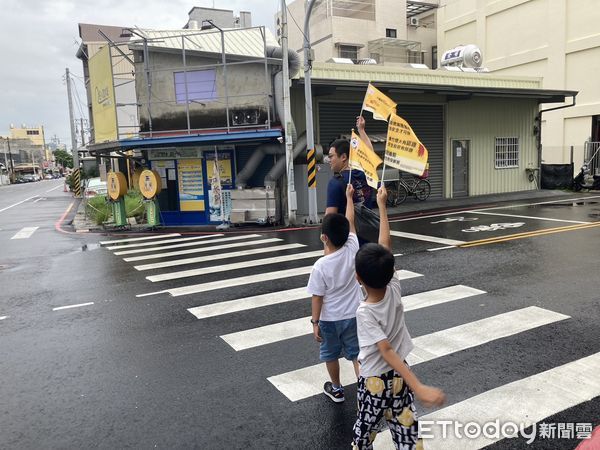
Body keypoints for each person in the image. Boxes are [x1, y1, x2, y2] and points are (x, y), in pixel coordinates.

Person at [352, 186, 446, 449]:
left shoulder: (365, 311)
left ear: (358, 278)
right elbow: (386, 246)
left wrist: (419, 386)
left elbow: (385, 349)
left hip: (374, 381)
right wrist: (382, 206)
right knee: (406, 428)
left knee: (365, 428)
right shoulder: (393, 286)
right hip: (398, 377)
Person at [307, 184, 361, 403]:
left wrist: (315, 322)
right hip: (354, 315)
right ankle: (364, 389)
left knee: (330, 355)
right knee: (357, 354)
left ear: (324, 238)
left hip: (329, 320)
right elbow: (350, 220)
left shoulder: (320, 266)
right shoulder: (353, 248)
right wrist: (349, 198)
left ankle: (337, 388)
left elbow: (317, 297)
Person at [325, 116, 375, 216]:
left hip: (347, 230)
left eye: (331, 156)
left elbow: (330, 218)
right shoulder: (365, 174)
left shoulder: (336, 182)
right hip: (368, 229)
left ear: (343, 157)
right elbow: (370, 155)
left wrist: (323, 232)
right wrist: (361, 130)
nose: (328, 160)